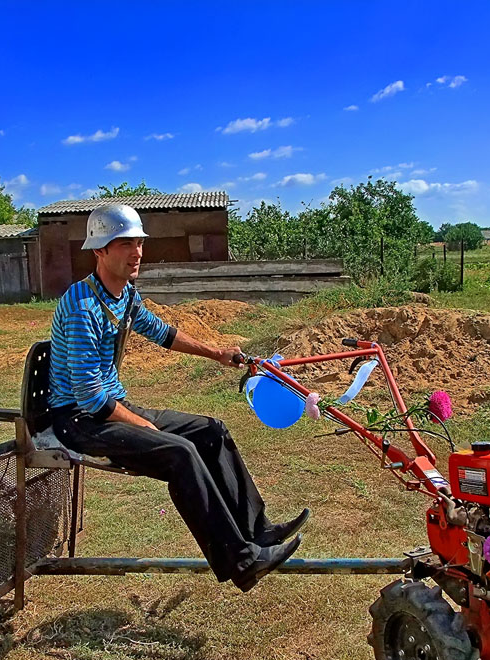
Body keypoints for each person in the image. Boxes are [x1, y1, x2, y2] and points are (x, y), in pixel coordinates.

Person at [46, 203, 308, 592]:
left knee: (211, 431)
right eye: (124, 244)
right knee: (180, 452)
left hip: (109, 407)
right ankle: (243, 561)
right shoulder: (82, 305)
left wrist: (216, 352)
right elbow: (89, 397)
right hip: (79, 420)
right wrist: (145, 427)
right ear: (99, 251)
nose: (136, 253)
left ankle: (259, 529)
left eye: (138, 243)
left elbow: (162, 333)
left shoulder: (125, 296)